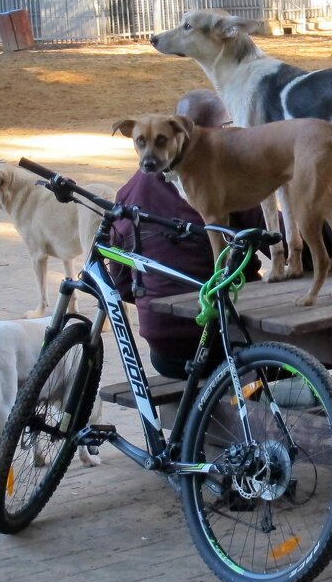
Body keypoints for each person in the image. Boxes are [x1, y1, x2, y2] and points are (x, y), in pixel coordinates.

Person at [108, 94, 265, 379]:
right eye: (227, 125)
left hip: (164, 345)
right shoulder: (226, 179)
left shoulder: (127, 193)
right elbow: (276, 237)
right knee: (305, 344)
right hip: (225, 334)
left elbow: (120, 280)